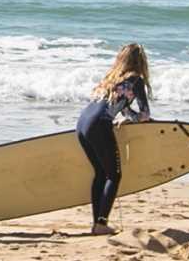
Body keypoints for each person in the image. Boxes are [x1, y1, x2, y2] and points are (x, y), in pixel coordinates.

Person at [76, 42, 152, 235]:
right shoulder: (136, 80)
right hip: (100, 125)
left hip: (83, 123)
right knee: (114, 175)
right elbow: (144, 114)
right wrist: (139, 120)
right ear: (141, 62)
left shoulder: (112, 79)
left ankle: (98, 224)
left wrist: (128, 118)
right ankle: (101, 223)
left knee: (101, 173)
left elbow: (123, 108)